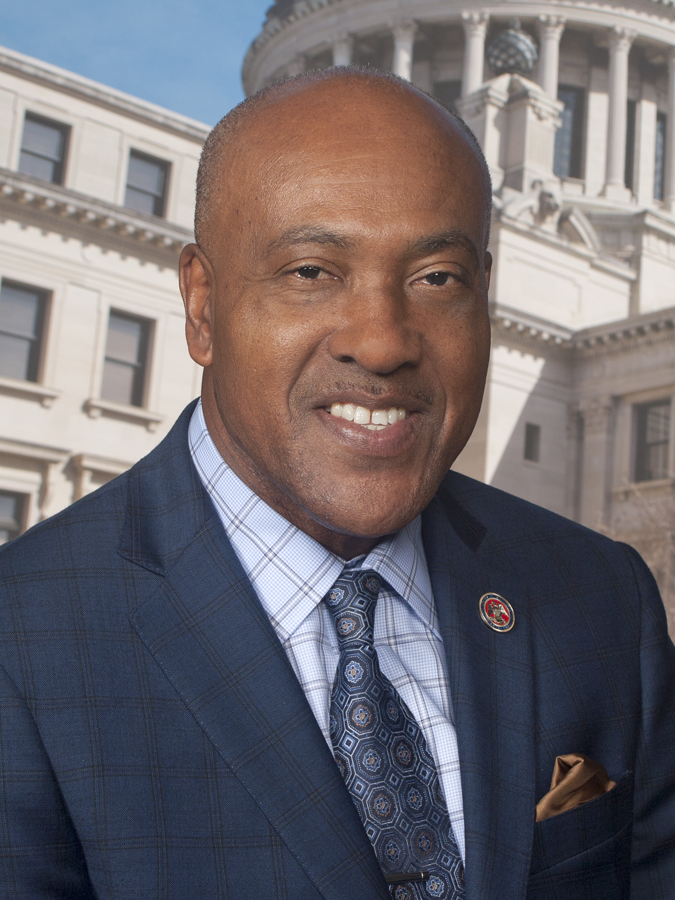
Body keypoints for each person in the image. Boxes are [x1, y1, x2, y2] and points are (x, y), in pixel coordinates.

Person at [0, 68, 673, 900]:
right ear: (202, 307)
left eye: (436, 278)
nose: (383, 341)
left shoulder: (601, 598)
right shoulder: (22, 642)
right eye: (311, 271)